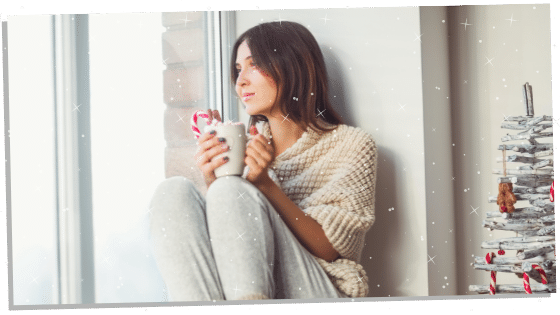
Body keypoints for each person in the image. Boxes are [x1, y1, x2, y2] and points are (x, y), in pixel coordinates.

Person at [150, 21, 377, 301]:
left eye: (253, 65)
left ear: (292, 65)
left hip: (319, 288)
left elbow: (331, 248)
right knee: (171, 193)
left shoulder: (352, 144)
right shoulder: (244, 149)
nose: (240, 80)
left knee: (229, 190)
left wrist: (264, 185)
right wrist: (217, 177)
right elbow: (232, 248)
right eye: (237, 70)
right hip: (244, 285)